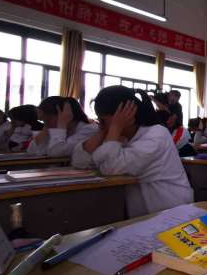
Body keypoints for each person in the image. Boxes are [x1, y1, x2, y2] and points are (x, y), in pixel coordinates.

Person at [72, 86, 193, 216]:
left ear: (127, 114)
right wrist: (102, 131)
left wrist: (114, 129)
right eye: (99, 120)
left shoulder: (156, 135)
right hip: (145, 215)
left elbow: (110, 168)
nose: (101, 125)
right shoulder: (117, 135)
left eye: (103, 120)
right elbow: (79, 161)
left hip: (173, 212)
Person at [27, 97, 97, 157]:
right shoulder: (56, 130)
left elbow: (55, 152)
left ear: (64, 115)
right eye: (44, 121)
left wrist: (61, 126)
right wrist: (45, 130)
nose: (46, 124)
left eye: (48, 120)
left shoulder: (89, 130)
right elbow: (31, 151)